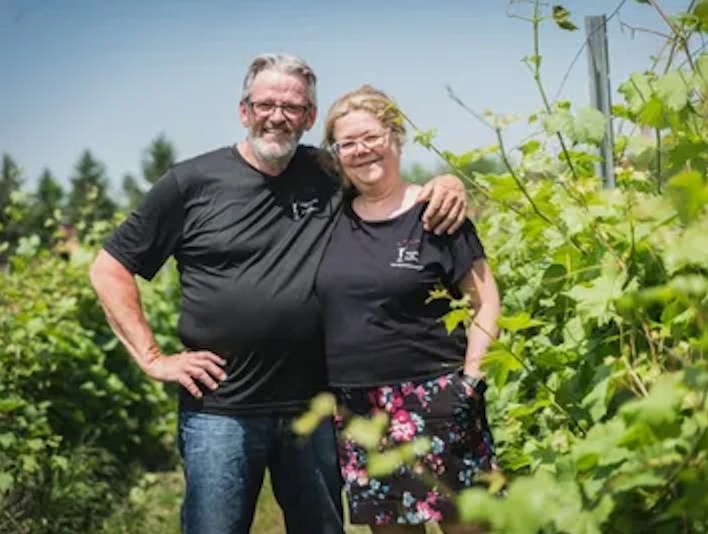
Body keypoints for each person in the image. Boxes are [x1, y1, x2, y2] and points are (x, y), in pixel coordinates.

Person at [88, 54, 469, 534]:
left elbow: (387, 182)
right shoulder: (190, 184)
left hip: (313, 407)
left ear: (309, 118)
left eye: (292, 107)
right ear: (244, 111)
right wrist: (151, 357)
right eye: (265, 104)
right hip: (219, 410)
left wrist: (447, 182)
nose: (277, 116)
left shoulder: (329, 173)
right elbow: (109, 268)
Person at [315, 85, 501, 534]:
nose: (361, 151)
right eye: (348, 143)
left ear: (395, 137)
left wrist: (470, 382)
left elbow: (486, 301)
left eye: (371, 137)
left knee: (468, 524)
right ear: (336, 153)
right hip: (358, 407)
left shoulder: (436, 213)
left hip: (436, 397)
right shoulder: (328, 216)